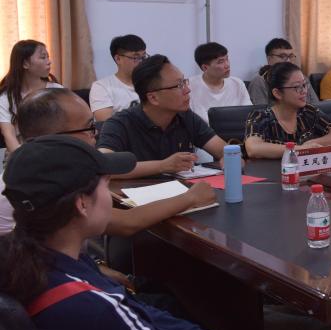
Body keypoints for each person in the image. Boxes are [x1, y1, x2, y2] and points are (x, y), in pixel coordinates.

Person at [0, 136, 327, 330]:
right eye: (105, 185)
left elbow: (139, 315)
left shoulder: (43, 262)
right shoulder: (86, 304)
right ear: (82, 204)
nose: (109, 195)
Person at [0, 87, 216, 238]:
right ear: (57, 137)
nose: (95, 135)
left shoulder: (49, 166)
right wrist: (190, 197)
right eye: (89, 127)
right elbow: (126, 223)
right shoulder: (41, 182)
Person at [98, 55, 228, 178]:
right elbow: (102, 165)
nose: (187, 90)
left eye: (185, 82)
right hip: (136, 193)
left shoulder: (185, 116)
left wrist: (230, 158)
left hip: (183, 191)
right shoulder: (119, 124)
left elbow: (223, 150)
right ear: (153, 98)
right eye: (179, 85)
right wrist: (163, 166)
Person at [245, 62, 331, 158]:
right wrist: (300, 149)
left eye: (304, 85)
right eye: (297, 87)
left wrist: (312, 143)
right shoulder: (260, 117)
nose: (304, 91)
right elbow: (253, 148)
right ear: (277, 93)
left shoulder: (308, 112)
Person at [0, 40, 63, 152]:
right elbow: (9, 136)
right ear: (25, 64)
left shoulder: (58, 90)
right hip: (21, 152)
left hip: (55, 148)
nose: (49, 62)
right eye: (43, 57)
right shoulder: (6, 98)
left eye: (48, 57)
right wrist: (23, 157)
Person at [188, 42, 252, 123]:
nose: (227, 65)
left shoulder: (237, 83)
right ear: (205, 67)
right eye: (221, 62)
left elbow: (249, 113)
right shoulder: (189, 87)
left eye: (227, 59)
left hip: (236, 129)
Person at [90, 34, 145, 122]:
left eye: (143, 57)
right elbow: (106, 125)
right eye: (136, 57)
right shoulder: (101, 87)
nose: (141, 62)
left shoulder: (150, 83)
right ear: (118, 59)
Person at [250, 38, 320, 106]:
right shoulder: (260, 82)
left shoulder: (302, 78)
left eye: (291, 56)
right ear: (269, 59)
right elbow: (261, 111)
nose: (288, 61)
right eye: (282, 56)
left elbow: (317, 106)